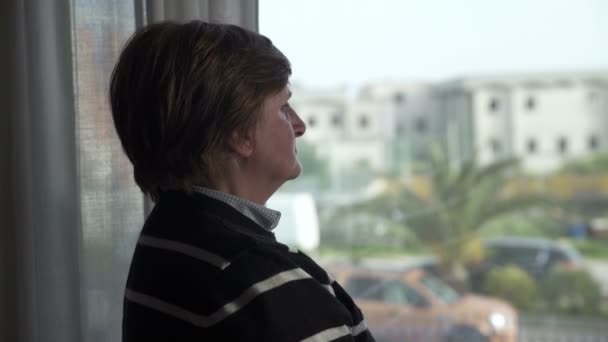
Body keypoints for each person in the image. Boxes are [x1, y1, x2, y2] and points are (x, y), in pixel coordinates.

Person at [109, 20, 375, 341]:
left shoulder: (167, 236)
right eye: (284, 107)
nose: (300, 125)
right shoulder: (251, 276)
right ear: (239, 134)